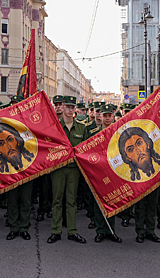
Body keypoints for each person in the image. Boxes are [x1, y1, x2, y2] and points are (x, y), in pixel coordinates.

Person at [47, 96, 87, 244]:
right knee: (57, 200)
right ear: (62, 107)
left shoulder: (81, 128)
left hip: (73, 170)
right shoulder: (55, 127)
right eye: (67, 107)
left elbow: (84, 150)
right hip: (58, 169)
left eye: (72, 107)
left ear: (75, 109)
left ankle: (72, 231)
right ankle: (56, 231)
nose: (70, 110)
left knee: (71, 201)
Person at [91, 104, 121, 244]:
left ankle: (111, 230)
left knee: (112, 200)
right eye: (105, 115)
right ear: (100, 116)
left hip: (113, 171)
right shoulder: (93, 133)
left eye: (110, 115)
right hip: (98, 172)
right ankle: (100, 231)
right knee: (99, 201)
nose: (108, 118)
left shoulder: (118, 132)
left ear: (113, 116)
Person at [4, 95, 33, 241]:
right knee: (13, 200)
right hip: (11, 168)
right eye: (13, 105)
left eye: (18, 105)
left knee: (26, 200)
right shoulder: (5, 123)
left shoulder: (29, 123)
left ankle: (24, 228)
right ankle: (13, 228)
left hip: (27, 167)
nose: (15, 107)